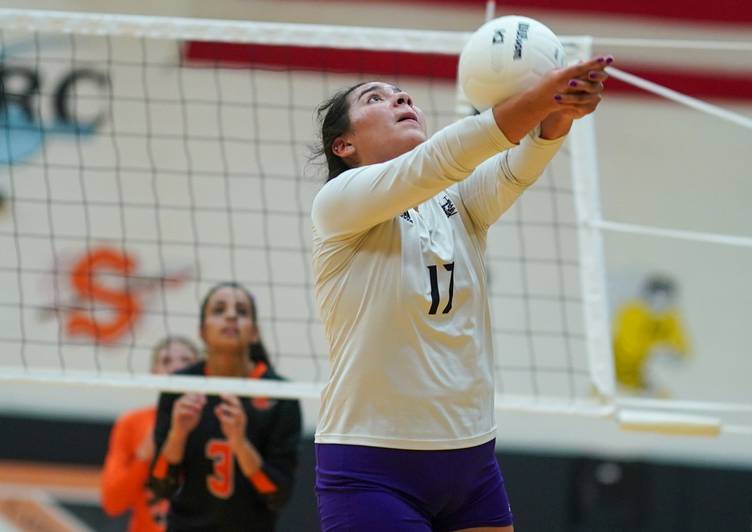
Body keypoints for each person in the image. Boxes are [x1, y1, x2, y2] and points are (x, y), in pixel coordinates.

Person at [311, 56, 612, 531]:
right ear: (343, 144)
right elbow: (443, 158)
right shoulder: (339, 204)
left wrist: (555, 120)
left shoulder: (457, 201)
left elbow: (517, 168)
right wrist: (537, 99)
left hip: (470, 461)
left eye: (401, 93)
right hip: (373, 464)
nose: (401, 98)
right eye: (376, 97)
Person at [148, 282, 302, 532]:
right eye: (219, 310)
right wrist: (178, 433)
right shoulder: (179, 386)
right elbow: (160, 486)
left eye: (241, 311)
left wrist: (240, 443)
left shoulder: (280, 395)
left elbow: (278, 495)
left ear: (254, 332)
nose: (231, 315)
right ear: (202, 331)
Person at [101, 337, 200, 532]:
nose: (177, 368)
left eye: (186, 361)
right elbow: (112, 503)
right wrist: (143, 456)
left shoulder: (215, 422)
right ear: (154, 374)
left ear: (201, 372)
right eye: (166, 361)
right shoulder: (132, 423)